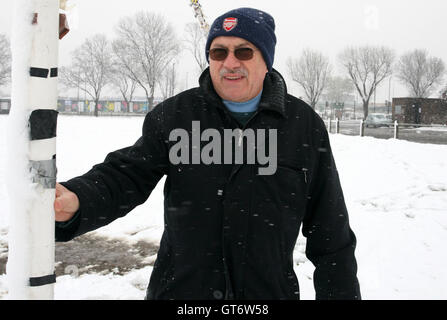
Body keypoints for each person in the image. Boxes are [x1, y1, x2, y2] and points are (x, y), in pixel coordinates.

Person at [54, 7, 361, 300]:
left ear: (266, 61)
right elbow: (126, 176)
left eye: (243, 51)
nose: (230, 63)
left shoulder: (303, 126)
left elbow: (330, 233)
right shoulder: (175, 117)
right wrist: (78, 199)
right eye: (219, 52)